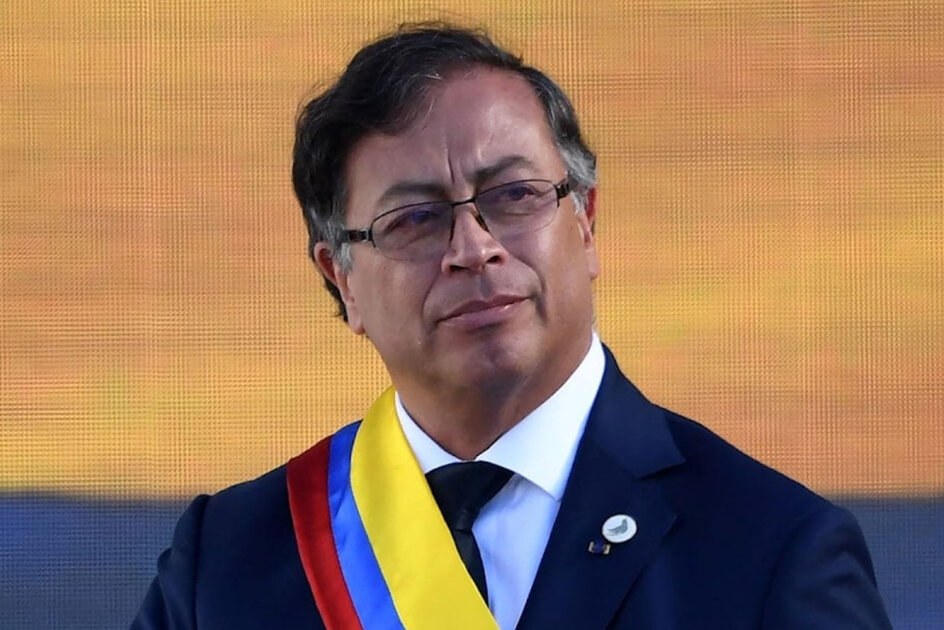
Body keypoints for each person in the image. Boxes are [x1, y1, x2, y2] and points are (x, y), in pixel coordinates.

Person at [133, 23, 892, 629]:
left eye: (516, 195)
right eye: (415, 219)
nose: (473, 248)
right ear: (343, 280)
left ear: (585, 223)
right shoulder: (227, 564)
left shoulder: (770, 549)